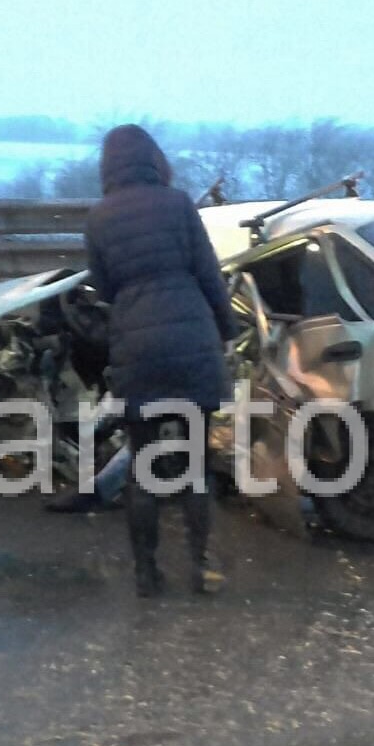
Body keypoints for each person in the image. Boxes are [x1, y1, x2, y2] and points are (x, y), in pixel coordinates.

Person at [83, 125, 237, 596]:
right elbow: (208, 273)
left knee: (143, 466)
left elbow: (104, 287)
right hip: (190, 338)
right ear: (154, 159)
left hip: (137, 348)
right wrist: (225, 330)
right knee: (194, 464)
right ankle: (202, 567)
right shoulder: (178, 203)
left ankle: (147, 573)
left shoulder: (98, 218)